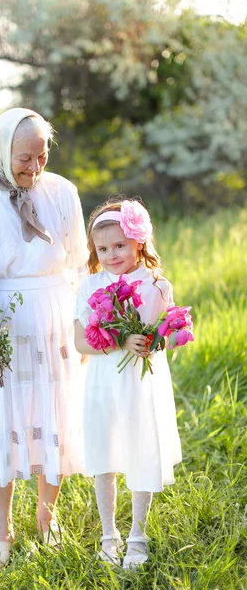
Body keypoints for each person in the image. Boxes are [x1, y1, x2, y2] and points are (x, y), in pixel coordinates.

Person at [0, 108, 88, 569]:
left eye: (42, 156)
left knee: (56, 417)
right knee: (2, 423)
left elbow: (81, 266)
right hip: (1, 326)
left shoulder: (63, 192)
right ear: (1, 149)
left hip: (54, 318)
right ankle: (2, 532)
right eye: (24, 158)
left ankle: (46, 520)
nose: (34, 167)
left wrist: (83, 322)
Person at [74, 198, 182, 570]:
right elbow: (79, 341)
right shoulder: (90, 285)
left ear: (138, 241)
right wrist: (120, 340)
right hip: (104, 383)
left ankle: (137, 534)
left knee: (141, 449)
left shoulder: (155, 284)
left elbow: (166, 331)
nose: (111, 254)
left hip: (140, 384)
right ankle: (109, 533)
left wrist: (161, 337)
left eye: (119, 245)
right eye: (102, 248)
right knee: (104, 452)